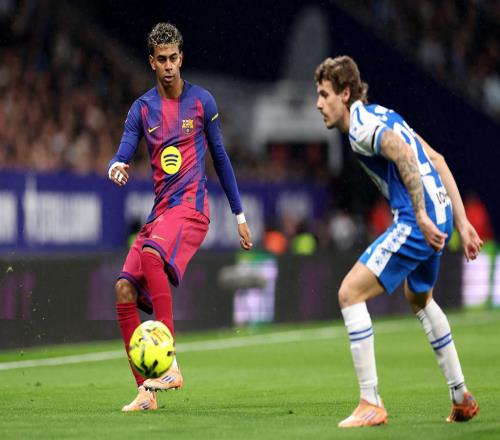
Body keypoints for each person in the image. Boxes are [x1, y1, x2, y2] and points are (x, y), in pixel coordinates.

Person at [315, 56, 482, 428]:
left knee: (349, 293)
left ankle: (370, 402)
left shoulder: (361, 128)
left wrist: (419, 214)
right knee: (419, 298)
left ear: (345, 94)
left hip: (419, 220)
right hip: (440, 213)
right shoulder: (384, 114)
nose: (318, 104)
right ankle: (461, 396)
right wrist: (461, 220)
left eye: (324, 95)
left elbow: (403, 154)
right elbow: (435, 158)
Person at [108, 22, 253, 412]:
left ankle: (169, 363)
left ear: (181, 58)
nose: (169, 65)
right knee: (123, 290)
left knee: (151, 254)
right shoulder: (142, 109)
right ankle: (146, 392)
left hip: (191, 209)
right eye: (162, 59)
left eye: (174, 58)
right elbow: (123, 150)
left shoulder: (202, 102)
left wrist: (239, 214)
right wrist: (116, 165)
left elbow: (220, 158)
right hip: (160, 213)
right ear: (151, 62)